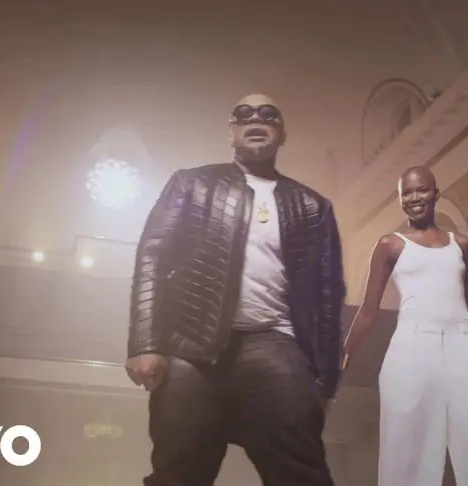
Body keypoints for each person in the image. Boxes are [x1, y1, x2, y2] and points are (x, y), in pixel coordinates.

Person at [124, 93, 346, 486]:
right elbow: (152, 255)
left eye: (268, 115)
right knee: (179, 473)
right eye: (244, 114)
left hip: (273, 342)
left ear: (282, 134)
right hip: (190, 343)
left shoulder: (312, 205)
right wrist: (144, 341)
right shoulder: (191, 183)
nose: (255, 119)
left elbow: (329, 297)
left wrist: (325, 383)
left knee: (303, 473)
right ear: (231, 131)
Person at [341, 167, 468, 486]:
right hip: (411, 347)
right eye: (407, 193)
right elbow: (369, 311)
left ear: (435, 194)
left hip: (462, 343)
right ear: (401, 200)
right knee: (408, 452)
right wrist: (340, 361)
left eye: (422, 190)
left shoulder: (462, 244)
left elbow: (462, 303)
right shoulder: (390, 245)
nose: (415, 198)